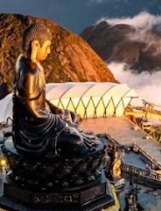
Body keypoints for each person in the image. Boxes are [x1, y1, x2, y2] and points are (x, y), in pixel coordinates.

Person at [11, 22, 106, 160]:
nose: (49, 51)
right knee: (76, 142)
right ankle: (74, 136)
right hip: (33, 131)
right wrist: (56, 119)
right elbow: (32, 111)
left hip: (42, 118)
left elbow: (40, 100)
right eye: (47, 46)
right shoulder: (29, 72)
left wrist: (56, 110)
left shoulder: (30, 64)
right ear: (35, 45)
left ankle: (71, 130)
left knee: (71, 116)